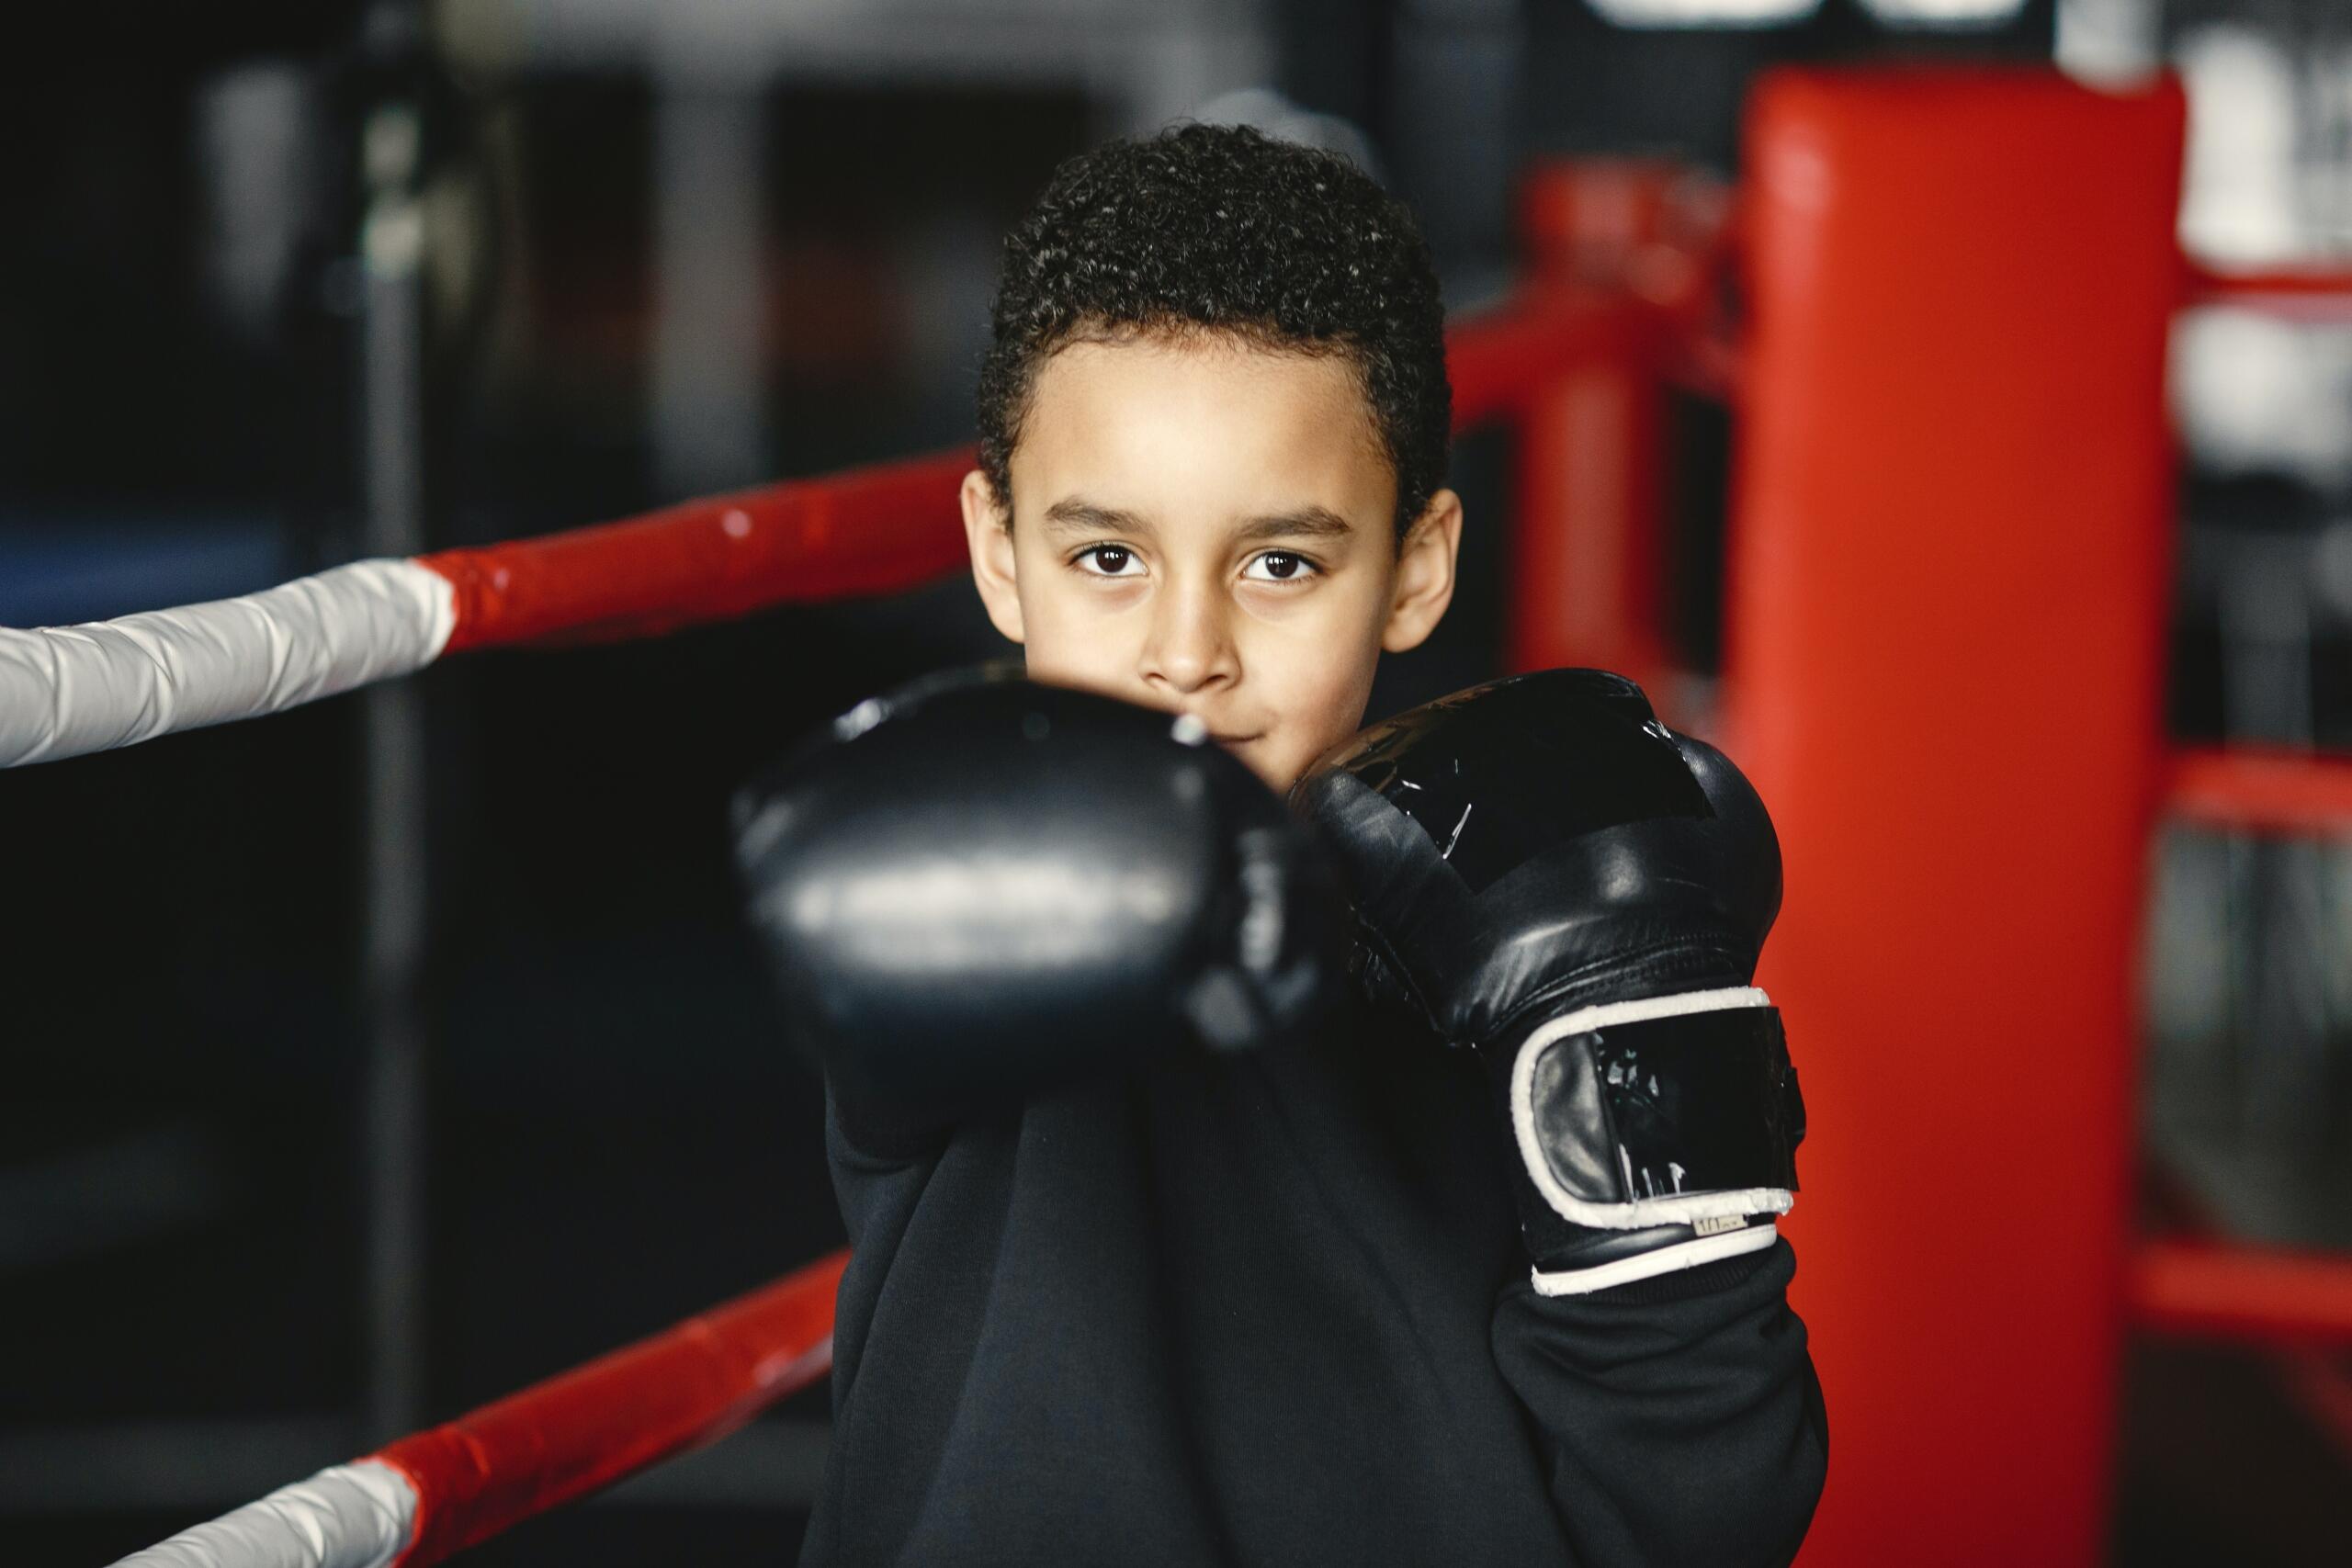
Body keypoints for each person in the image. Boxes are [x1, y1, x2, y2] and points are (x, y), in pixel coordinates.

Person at [735, 123, 1826, 1565]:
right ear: (1000, 557)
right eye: (1107, 558)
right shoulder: (966, 899)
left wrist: (1621, 1044)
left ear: (1416, 568)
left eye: (1280, 565)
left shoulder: (1519, 929)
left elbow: (1710, 1507)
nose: (1188, 655)